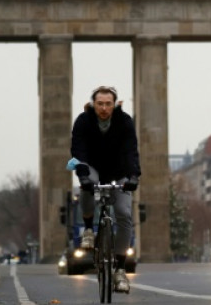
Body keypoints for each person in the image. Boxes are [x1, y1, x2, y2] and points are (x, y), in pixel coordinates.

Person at [70, 86, 141, 294]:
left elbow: (131, 150)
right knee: (86, 186)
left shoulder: (124, 122)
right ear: (93, 104)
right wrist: (82, 174)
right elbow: (78, 149)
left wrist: (134, 176)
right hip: (92, 167)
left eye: (108, 103)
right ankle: (89, 229)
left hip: (118, 172)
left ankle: (119, 269)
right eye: (99, 103)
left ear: (114, 104)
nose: (103, 108)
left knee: (124, 214)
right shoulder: (83, 121)